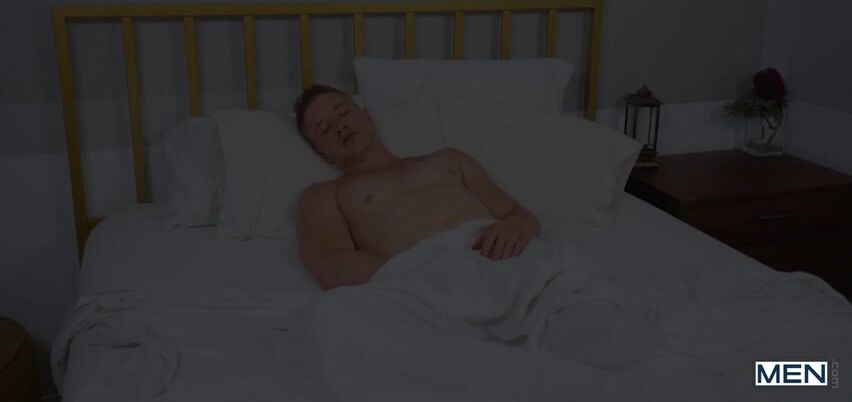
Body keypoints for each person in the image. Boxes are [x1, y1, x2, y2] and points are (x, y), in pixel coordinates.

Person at [293, 85, 540, 290]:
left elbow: (516, 214)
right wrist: (416, 276)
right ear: (320, 152)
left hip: (500, 260)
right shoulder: (325, 194)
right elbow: (331, 264)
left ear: (367, 115)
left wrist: (515, 228)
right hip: (421, 281)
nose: (340, 126)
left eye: (343, 113)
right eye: (325, 128)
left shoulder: (449, 159)